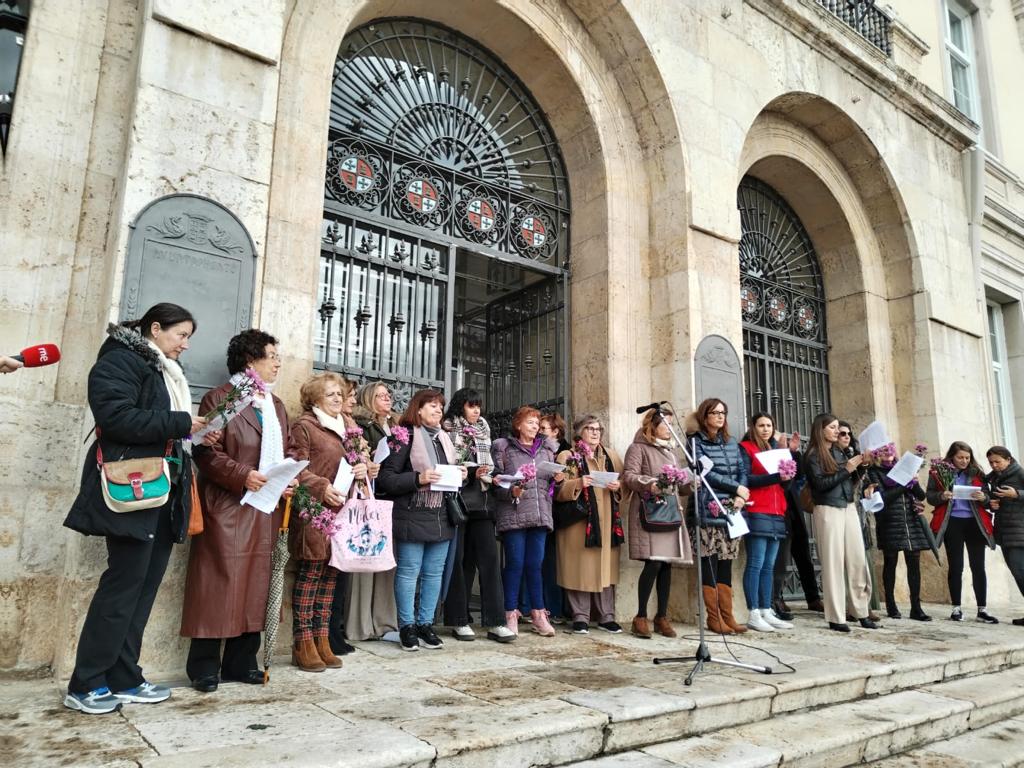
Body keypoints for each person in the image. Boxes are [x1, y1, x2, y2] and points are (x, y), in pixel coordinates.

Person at [63, 304, 214, 714]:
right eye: (180, 335)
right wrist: (181, 423)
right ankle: (86, 684)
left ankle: (124, 676)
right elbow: (116, 418)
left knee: (143, 590)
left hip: (163, 492)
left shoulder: (162, 369)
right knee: (122, 588)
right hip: (133, 489)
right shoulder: (120, 360)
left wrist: (195, 434)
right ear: (155, 329)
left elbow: (157, 423)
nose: (185, 345)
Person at [180, 329, 292, 692]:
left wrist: (289, 478)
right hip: (228, 505)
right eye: (272, 355)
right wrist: (243, 475)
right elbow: (204, 450)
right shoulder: (225, 398)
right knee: (218, 586)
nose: (278, 362)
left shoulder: (275, 405)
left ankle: (241, 662)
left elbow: (287, 450)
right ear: (250, 360)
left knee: (256, 586)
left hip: (265, 507)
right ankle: (204, 667)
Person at [286, 373, 369, 671]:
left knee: (331, 575)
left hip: (342, 511)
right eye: (331, 394)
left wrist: (363, 469)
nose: (338, 398)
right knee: (310, 574)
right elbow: (296, 468)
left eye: (340, 393)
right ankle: (303, 642)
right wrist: (322, 488)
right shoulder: (305, 426)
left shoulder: (348, 429)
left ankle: (322, 638)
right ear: (314, 398)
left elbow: (357, 465)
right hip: (314, 511)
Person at [376, 389, 466, 650]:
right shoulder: (403, 436)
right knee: (408, 572)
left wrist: (460, 474)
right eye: (432, 406)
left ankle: (426, 624)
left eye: (440, 406)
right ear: (417, 410)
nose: (438, 410)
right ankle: (407, 627)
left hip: (442, 515)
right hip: (412, 513)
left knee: (434, 573)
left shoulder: (444, 440)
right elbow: (386, 479)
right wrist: (418, 478)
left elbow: (447, 476)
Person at [441, 388, 515, 643]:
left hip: (483, 501)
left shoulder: (484, 428)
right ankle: (459, 620)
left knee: (490, 561)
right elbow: (445, 463)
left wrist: (494, 477)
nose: (476, 411)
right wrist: (470, 472)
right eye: (471, 406)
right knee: (459, 563)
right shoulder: (448, 428)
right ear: (461, 406)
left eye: (478, 406)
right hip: (458, 501)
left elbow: (489, 464)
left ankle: (496, 621)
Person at [622, 405, 693, 638]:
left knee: (666, 564)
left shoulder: (672, 452)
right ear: (652, 426)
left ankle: (662, 616)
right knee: (652, 563)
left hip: (669, 512)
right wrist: (651, 483)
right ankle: (640, 616)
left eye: (672, 425)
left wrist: (690, 481)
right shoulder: (638, 448)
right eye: (666, 425)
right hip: (649, 511)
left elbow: (679, 487)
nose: (670, 430)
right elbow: (629, 476)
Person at [804, 413, 879, 632]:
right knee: (833, 563)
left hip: (847, 506)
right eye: (833, 427)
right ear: (821, 430)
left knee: (857, 560)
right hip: (827, 508)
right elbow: (820, 485)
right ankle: (836, 616)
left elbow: (850, 482)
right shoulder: (813, 455)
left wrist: (862, 467)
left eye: (838, 428)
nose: (837, 431)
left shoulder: (839, 451)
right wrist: (846, 468)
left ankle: (861, 611)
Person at [492, 406, 560, 637]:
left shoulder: (547, 449)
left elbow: (551, 487)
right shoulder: (504, 448)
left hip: (540, 515)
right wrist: (512, 491)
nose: (534, 426)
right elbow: (497, 482)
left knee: (535, 565)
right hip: (514, 513)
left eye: (537, 422)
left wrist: (557, 480)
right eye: (530, 422)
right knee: (515, 564)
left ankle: (538, 614)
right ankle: (510, 613)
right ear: (518, 425)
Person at [554, 415, 624, 634]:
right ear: (579, 432)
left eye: (598, 429)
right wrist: (577, 483)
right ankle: (580, 617)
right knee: (579, 569)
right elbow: (556, 488)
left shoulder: (610, 455)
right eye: (590, 428)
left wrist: (617, 486)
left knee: (605, 570)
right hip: (579, 522)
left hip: (606, 522)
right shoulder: (568, 455)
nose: (595, 433)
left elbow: (624, 486)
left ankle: (606, 616)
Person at [688, 398, 749, 635]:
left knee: (726, 564)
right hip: (708, 508)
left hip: (731, 509)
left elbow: (742, 471)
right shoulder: (696, 442)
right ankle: (714, 619)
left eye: (723, 412)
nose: (720, 416)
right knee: (710, 563)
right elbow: (706, 473)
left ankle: (728, 616)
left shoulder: (731, 442)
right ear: (705, 417)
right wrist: (735, 488)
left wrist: (741, 495)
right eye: (714, 413)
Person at [346, 381, 400, 643]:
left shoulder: (396, 426)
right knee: (365, 563)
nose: (387, 398)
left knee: (385, 564)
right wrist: (370, 465)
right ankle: (361, 625)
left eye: (388, 395)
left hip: (390, 501)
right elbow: (359, 459)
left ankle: (384, 622)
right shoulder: (363, 426)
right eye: (380, 395)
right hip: (369, 500)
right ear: (368, 400)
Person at [926, 441, 996, 623]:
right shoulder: (938, 471)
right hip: (953, 523)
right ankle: (956, 608)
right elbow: (930, 496)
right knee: (956, 566)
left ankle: (982, 609)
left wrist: (983, 497)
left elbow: (989, 500)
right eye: (960, 457)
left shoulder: (977, 473)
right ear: (952, 457)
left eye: (967, 457)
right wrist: (942, 496)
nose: (964, 461)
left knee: (978, 566)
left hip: (974, 523)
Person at [738, 412, 795, 632]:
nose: (765, 429)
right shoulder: (746, 448)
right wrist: (775, 477)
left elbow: (785, 486)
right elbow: (747, 479)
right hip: (757, 508)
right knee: (756, 562)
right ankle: (752, 611)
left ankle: (765, 609)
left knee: (769, 565)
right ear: (753, 427)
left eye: (769, 425)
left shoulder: (775, 450)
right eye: (761, 425)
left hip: (777, 510)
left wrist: (788, 470)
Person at [863, 443, 930, 621]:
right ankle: (891, 604)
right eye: (883, 451)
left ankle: (916, 607)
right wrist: (903, 484)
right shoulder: (874, 473)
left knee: (914, 563)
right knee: (890, 562)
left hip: (911, 521)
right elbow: (883, 498)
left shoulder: (904, 469)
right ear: (877, 454)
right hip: (890, 522)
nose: (888, 453)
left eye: (890, 450)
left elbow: (921, 496)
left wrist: (913, 482)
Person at [838, 421, 880, 622]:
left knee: (861, 560)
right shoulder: (835, 457)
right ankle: (849, 605)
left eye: (848, 433)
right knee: (846, 561)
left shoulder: (853, 454)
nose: (846, 437)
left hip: (860, 510)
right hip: (841, 509)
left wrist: (865, 471)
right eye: (841, 433)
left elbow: (858, 483)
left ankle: (863, 605)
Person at [985, 446, 1024, 626]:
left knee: (1019, 571)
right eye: (991, 462)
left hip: (1020, 531)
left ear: (1008, 459)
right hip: (1005, 532)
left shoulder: (1019, 473)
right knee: (1017, 573)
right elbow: (992, 500)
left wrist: (1016, 494)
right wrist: (991, 503)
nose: (994, 465)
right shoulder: (994, 477)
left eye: (997, 462)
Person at [539, 411, 571, 622]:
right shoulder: (538, 449)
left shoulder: (567, 453)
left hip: (558, 514)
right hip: (542, 510)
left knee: (552, 562)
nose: (539, 432)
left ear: (556, 432)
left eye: (543, 429)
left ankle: (554, 608)